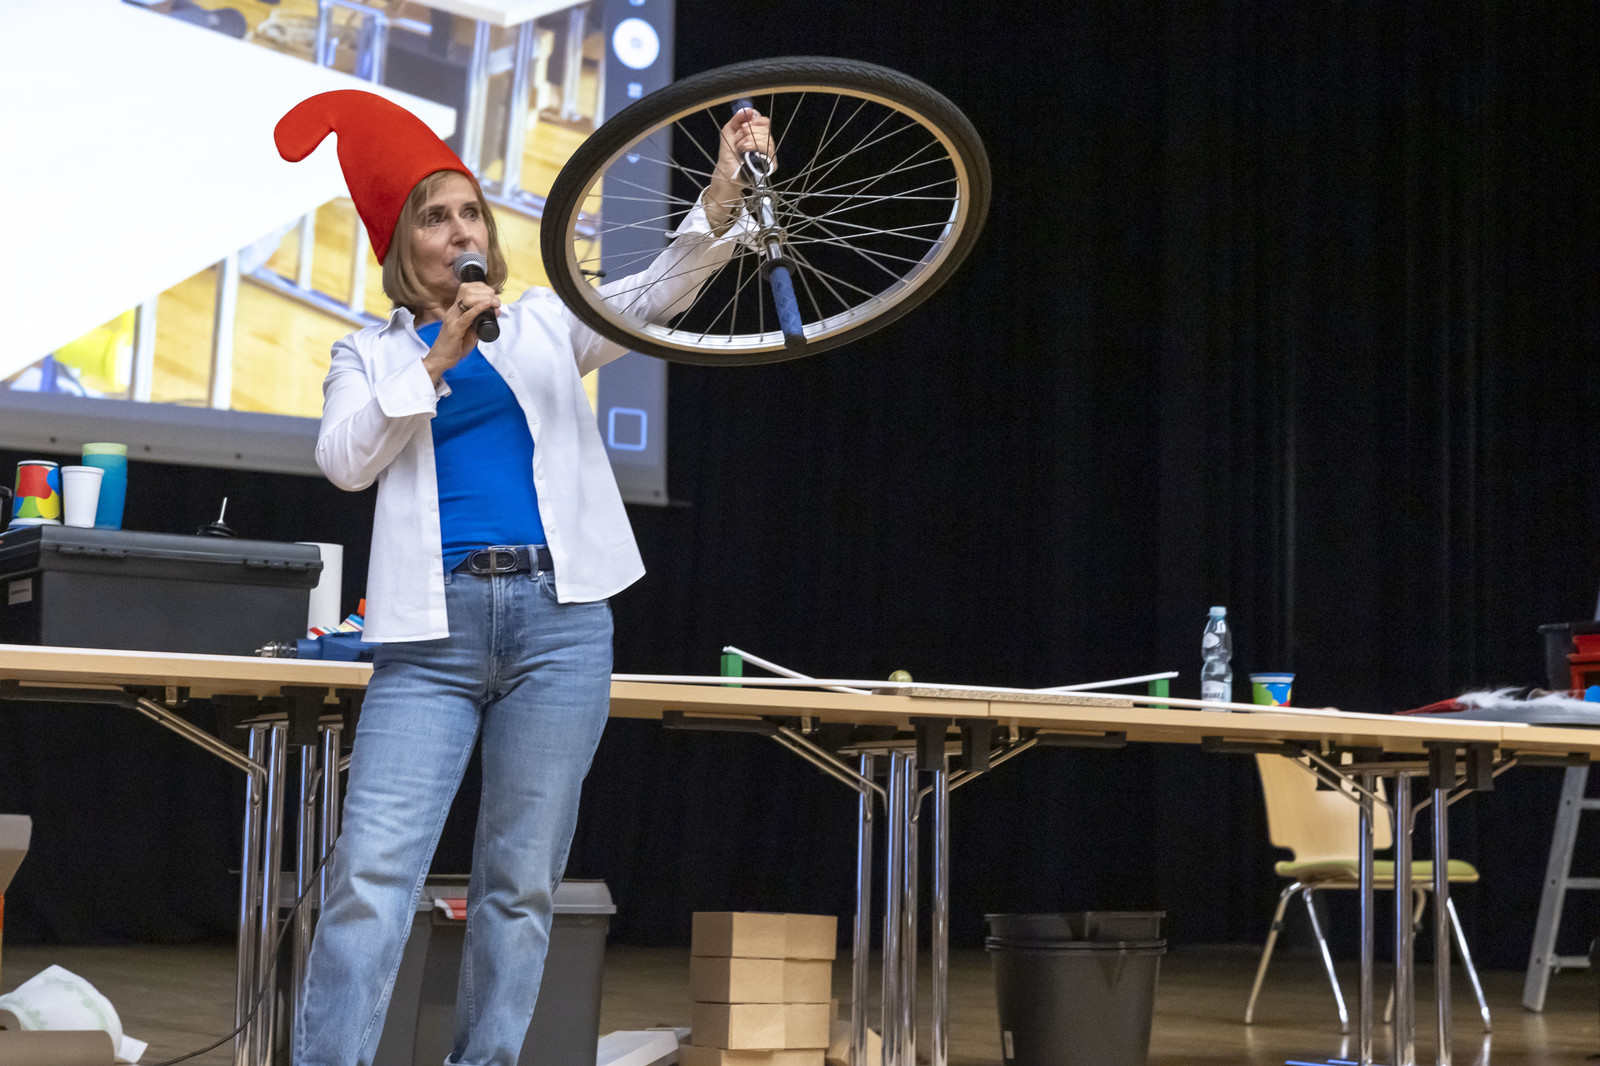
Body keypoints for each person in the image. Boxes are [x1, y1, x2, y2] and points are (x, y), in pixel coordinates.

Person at [273, 89, 771, 1066]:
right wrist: (437, 359)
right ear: (402, 245)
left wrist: (720, 192)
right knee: (371, 874)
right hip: (432, 637)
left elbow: (656, 293)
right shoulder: (368, 354)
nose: (461, 230)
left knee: (520, 881)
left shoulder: (543, 322)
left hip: (560, 626)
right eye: (435, 216)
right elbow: (344, 459)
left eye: (470, 211)